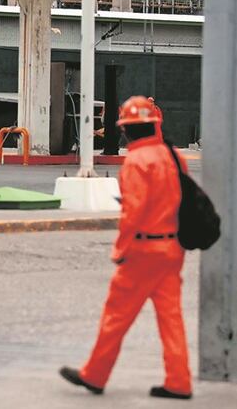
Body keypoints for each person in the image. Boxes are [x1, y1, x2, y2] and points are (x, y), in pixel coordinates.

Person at [60, 96, 193, 400]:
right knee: (171, 318)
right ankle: (179, 381)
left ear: (127, 130)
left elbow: (133, 213)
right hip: (173, 249)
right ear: (154, 124)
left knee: (116, 316)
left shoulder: (136, 162)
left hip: (143, 251)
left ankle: (95, 375)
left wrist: (120, 251)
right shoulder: (174, 157)